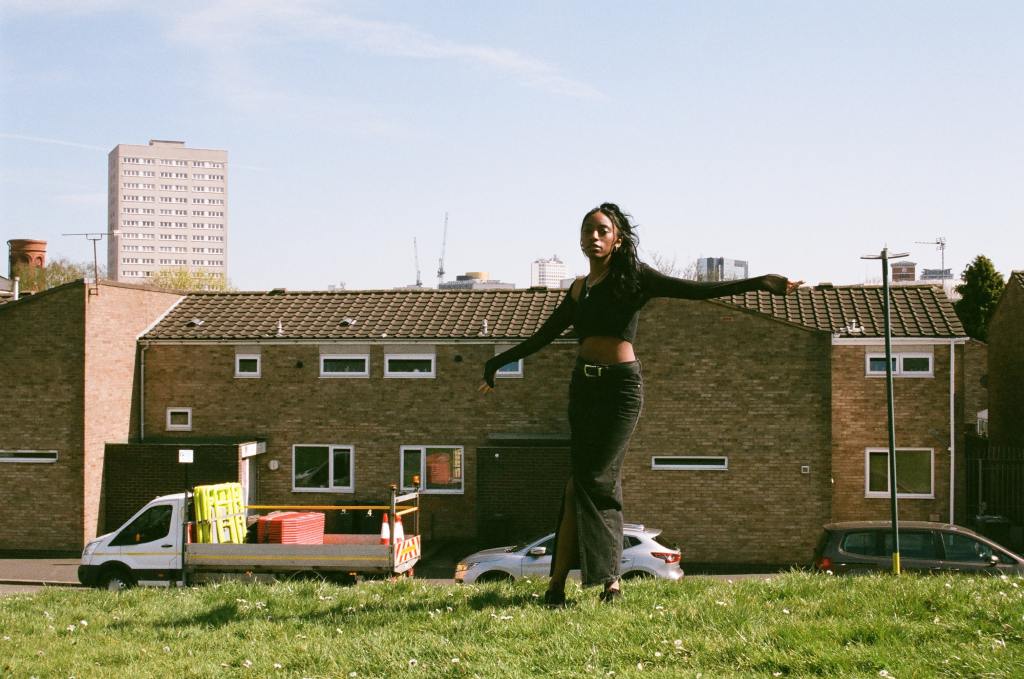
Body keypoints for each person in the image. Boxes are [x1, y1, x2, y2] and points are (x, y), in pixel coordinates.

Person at [479, 203, 801, 606]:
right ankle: (558, 587)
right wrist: (496, 362)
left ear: (617, 239)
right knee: (576, 485)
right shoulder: (580, 288)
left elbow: (697, 290)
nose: (594, 238)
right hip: (584, 389)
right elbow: (545, 335)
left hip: (620, 391)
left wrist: (759, 282)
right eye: (587, 231)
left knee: (595, 479)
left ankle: (607, 578)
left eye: (602, 231)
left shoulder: (634, 278)